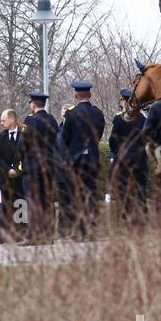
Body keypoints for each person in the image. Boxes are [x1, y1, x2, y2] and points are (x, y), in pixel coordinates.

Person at [58, 80, 106, 236]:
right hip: (92, 158)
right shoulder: (98, 113)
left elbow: (64, 138)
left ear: (75, 95)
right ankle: (92, 226)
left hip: (75, 160)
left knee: (75, 194)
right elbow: (99, 134)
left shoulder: (71, 114)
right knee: (91, 193)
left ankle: (79, 229)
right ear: (90, 95)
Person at [19, 91, 61, 242]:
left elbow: (22, 144)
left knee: (32, 200)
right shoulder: (51, 120)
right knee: (47, 200)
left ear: (33, 104)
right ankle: (48, 234)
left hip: (32, 166)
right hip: (48, 165)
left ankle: (33, 235)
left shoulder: (30, 121)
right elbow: (57, 141)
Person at [109, 89, 148, 222]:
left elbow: (112, 141)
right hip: (140, 160)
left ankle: (127, 219)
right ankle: (142, 219)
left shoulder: (119, 119)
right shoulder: (143, 119)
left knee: (125, 190)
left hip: (124, 160)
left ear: (126, 101)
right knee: (140, 189)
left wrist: (119, 153)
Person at [0, 109, 23, 243]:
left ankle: (20, 234)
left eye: (3, 120)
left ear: (12, 120)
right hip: (4, 178)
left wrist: (16, 169)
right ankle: (2, 237)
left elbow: (26, 154)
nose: (1, 123)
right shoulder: (0, 137)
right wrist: (8, 170)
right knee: (4, 207)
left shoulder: (24, 135)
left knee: (21, 205)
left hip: (20, 178)